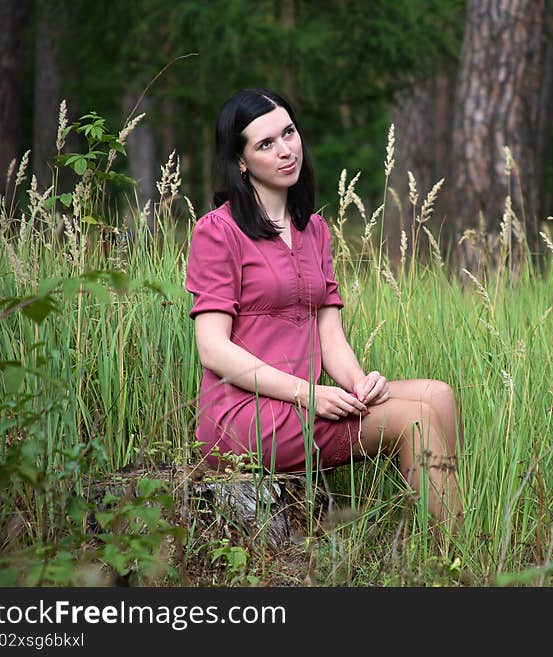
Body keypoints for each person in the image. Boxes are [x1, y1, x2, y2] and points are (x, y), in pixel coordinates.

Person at [185, 88, 464, 530]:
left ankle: (444, 542)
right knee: (413, 418)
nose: (285, 150)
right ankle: (456, 558)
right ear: (240, 162)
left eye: (288, 133)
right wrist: (306, 394)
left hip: (303, 402)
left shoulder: (313, 229)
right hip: (243, 414)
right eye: (265, 144)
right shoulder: (218, 232)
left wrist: (359, 383)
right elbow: (213, 350)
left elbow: (330, 338)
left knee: (438, 396)